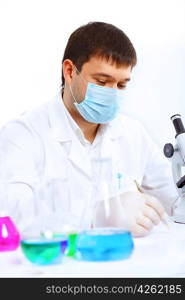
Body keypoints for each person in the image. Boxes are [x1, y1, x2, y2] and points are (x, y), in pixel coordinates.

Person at [0, 22, 179, 236]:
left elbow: (175, 200)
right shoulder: (23, 135)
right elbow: (9, 219)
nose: (112, 93)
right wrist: (95, 218)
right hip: (57, 267)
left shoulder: (133, 134)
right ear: (69, 71)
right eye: (102, 81)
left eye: (121, 85)